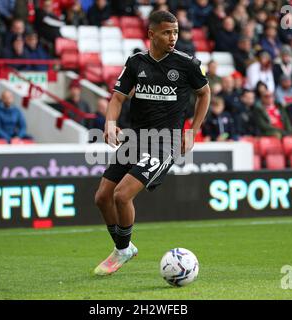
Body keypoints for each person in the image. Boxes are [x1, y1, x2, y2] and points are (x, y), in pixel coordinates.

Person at [93, 11, 210, 276]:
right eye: (167, 32)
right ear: (152, 34)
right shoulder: (136, 62)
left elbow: (204, 94)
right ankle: (124, 247)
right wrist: (110, 123)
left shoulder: (187, 64)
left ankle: (122, 250)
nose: (173, 38)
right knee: (102, 197)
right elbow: (118, 98)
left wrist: (192, 131)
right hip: (136, 138)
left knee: (122, 195)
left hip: (164, 142)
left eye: (176, 32)